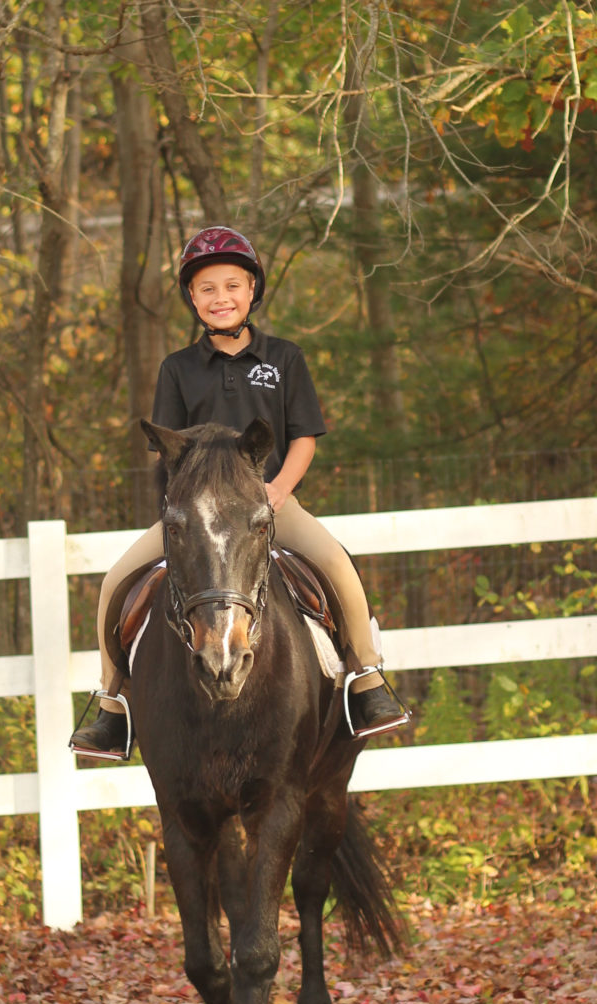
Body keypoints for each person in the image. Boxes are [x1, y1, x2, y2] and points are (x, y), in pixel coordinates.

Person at [70, 226, 407, 758]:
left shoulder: (285, 359)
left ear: (252, 292)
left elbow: (303, 439)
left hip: (268, 504)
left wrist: (275, 492)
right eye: (207, 288)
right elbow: (168, 449)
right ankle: (112, 705)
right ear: (192, 299)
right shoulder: (177, 369)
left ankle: (367, 679)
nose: (220, 297)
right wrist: (187, 508)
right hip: (197, 514)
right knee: (115, 583)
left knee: (338, 564)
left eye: (232, 285)